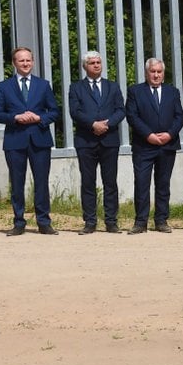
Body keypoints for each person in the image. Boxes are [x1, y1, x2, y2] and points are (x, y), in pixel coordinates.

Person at [0, 47, 61, 236]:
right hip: (15, 140)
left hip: (40, 139)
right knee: (17, 183)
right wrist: (15, 117)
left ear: (33, 62)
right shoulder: (4, 87)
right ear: (14, 63)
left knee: (41, 182)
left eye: (28, 60)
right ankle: (19, 222)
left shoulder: (43, 85)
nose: (25, 64)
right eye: (21, 61)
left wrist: (40, 118)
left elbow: (55, 111)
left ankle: (44, 222)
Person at [68, 50, 125, 234]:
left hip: (109, 140)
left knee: (110, 182)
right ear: (85, 66)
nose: (96, 65)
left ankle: (111, 221)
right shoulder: (76, 87)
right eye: (92, 63)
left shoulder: (113, 86)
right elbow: (75, 111)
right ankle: (90, 221)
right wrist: (93, 124)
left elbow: (120, 110)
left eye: (98, 62)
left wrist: (107, 124)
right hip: (86, 140)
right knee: (88, 182)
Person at [125, 57, 183, 234]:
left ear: (163, 74)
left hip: (167, 145)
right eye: (153, 71)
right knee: (142, 183)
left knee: (163, 184)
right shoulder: (135, 91)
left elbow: (179, 116)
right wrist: (148, 135)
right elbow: (132, 116)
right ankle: (140, 222)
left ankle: (161, 220)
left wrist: (169, 134)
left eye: (159, 72)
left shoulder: (172, 91)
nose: (156, 75)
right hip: (144, 146)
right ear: (146, 73)